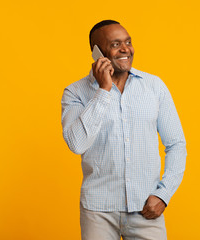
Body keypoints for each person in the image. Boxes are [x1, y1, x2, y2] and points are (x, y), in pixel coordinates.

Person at [61, 20, 187, 240]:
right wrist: (103, 90)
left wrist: (163, 194)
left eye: (128, 42)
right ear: (97, 52)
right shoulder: (75, 93)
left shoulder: (154, 86)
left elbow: (176, 144)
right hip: (98, 211)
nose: (125, 49)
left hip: (146, 210)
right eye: (115, 44)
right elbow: (77, 143)